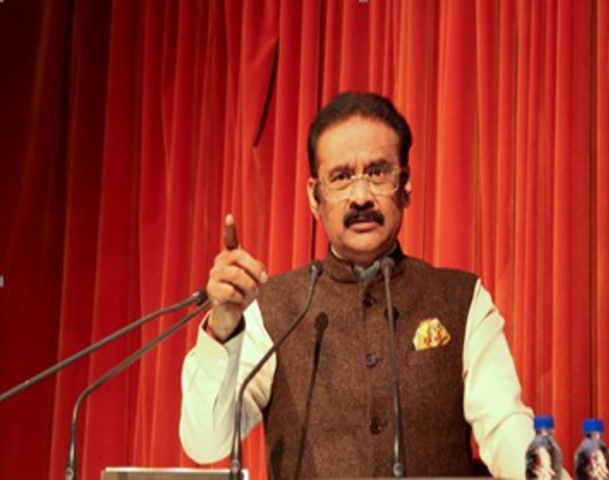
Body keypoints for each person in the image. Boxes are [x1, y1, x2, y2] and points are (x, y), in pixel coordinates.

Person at [179, 91, 538, 478]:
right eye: (341, 177)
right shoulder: (273, 309)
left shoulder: (461, 300)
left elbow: (507, 430)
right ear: (314, 197)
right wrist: (223, 329)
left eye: (378, 172)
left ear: (405, 186)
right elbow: (206, 442)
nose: (361, 196)